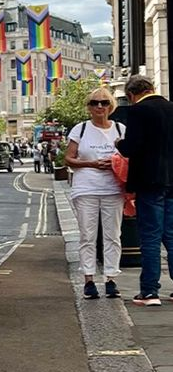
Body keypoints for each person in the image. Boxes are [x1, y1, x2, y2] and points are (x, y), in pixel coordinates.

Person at [116, 74, 173, 305]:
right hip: (172, 181)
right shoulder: (171, 108)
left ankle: (149, 291)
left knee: (150, 237)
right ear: (152, 87)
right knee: (171, 236)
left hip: (149, 181)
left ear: (131, 95)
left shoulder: (138, 111)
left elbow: (131, 147)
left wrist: (119, 144)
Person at [65, 88, 125, 299]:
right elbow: (68, 159)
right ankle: (89, 280)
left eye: (104, 102)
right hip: (86, 188)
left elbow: (130, 157)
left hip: (113, 189)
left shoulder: (120, 129)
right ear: (89, 107)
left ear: (111, 106)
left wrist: (115, 162)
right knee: (87, 235)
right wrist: (91, 163)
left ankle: (111, 279)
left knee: (113, 236)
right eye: (94, 103)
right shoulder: (80, 129)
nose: (99, 106)